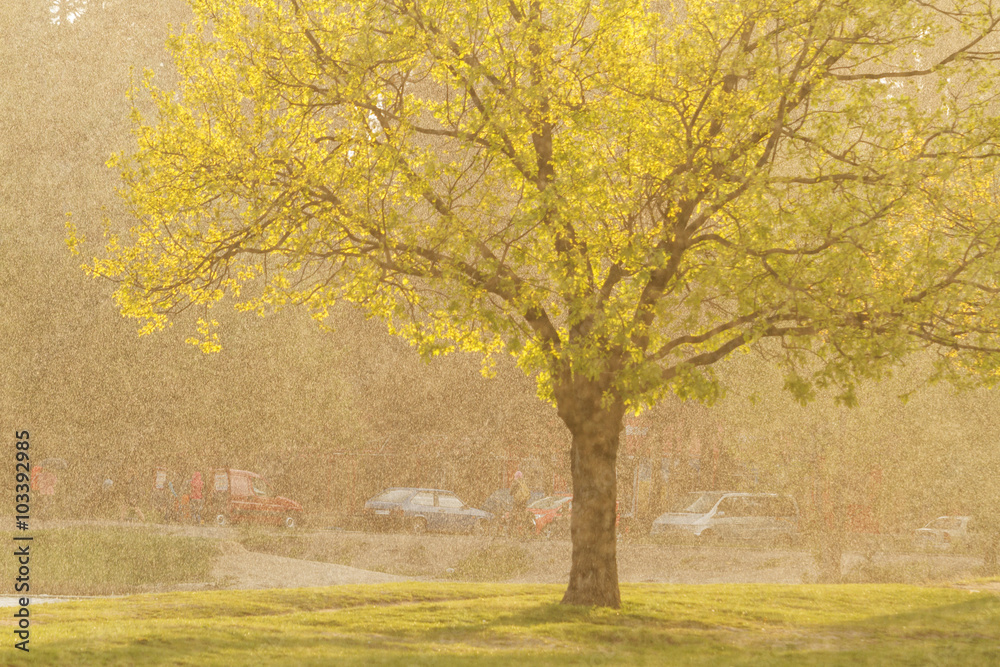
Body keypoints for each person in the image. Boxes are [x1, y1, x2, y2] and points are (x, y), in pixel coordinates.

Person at [510, 471, 531, 536]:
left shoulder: (515, 483)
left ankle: (513, 532)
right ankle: (524, 532)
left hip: (517, 502)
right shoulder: (523, 483)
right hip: (524, 503)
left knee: (513, 517)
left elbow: (510, 493)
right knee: (523, 517)